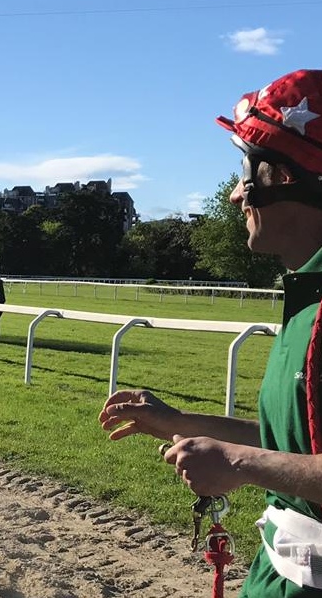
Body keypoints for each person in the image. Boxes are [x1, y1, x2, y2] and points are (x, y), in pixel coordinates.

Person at [98, 69, 322, 596]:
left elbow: (268, 457)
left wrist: (237, 464)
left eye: (247, 173)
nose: (236, 196)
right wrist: (177, 421)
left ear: (288, 178)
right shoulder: (306, 298)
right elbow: (291, 445)